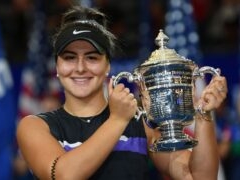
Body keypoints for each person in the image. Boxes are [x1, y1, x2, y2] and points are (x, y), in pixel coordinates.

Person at [16, 6, 228, 180]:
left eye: (92, 57)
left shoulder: (140, 124)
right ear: (57, 67)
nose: (80, 67)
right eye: (69, 57)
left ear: (107, 65)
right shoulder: (36, 126)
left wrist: (204, 115)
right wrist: (117, 119)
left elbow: (199, 177)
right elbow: (65, 176)